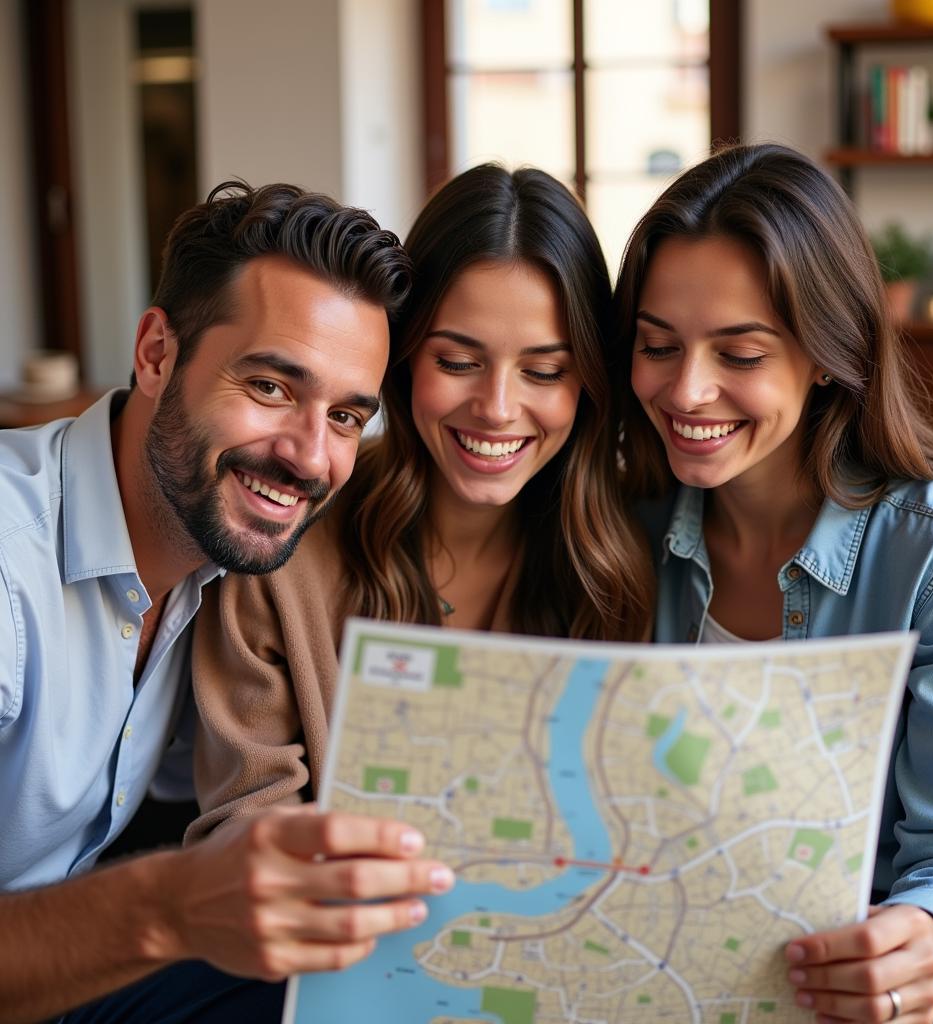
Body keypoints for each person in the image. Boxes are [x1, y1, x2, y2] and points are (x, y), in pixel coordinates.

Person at [0, 181, 455, 1024]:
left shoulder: (218, 563)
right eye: (273, 388)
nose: (311, 459)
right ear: (155, 353)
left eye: (349, 415)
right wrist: (167, 906)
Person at [614, 142, 933, 1023]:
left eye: (741, 353)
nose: (687, 390)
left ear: (828, 352)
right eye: (657, 346)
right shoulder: (618, 526)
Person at [185, 164, 654, 844]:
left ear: (587, 380)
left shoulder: (632, 553)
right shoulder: (283, 545)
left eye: (544, 371)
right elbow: (244, 831)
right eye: (458, 361)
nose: (496, 409)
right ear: (401, 362)